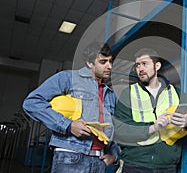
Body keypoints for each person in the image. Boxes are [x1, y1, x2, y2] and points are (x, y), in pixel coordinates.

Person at [23, 42, 119, 173]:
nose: (110, 66)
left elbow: (111, 129)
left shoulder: (110, 94)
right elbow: (31, 103)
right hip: (71, 157)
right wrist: (68, 125)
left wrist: (114, 155)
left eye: (110, 61)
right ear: (89, 63)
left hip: (99, 161)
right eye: (103, 62)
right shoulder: (68, 78)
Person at [113, 48, 187, 172]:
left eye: (144, 64)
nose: (140, 69)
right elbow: (120, 129)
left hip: (167, 167)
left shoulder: (175, 93)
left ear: (157, 66)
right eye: (137, 65)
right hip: (136, 165)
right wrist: (153, 128)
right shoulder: (128, 94)